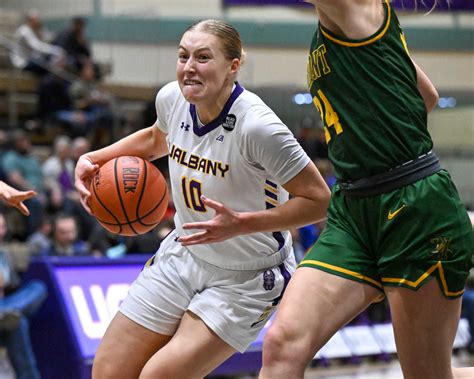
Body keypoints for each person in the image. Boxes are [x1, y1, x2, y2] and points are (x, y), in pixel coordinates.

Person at [75, 19, 330, 378]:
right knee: (109, 371)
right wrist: (94, 159)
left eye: (203, 57)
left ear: (233, 66)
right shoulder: (172, 99)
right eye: (183, 56)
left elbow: (320, 200)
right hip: (184, 253)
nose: (189, 67)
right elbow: (154, 139)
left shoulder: (259, 128)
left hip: (247, 277)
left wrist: (242, 224)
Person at [260, 2, 474, 379]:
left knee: (427, 375)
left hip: (414, 206)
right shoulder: (358, 23)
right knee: (282, 345)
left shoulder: (357, 8)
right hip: (353, 212)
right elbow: (427, 95)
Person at [0, 210, 47, 379]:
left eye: (3, 227)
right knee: (19, 323)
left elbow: (9, 286)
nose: (1, 232)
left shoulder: (4, 254)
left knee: (38, 287)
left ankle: (7, 311)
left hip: (4, 309)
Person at [10, 9, 63, 76]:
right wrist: (55, 50)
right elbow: (37, 46)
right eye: (37, 19)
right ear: (31, 20)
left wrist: (41, 30)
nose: (39, 21)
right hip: (22, 62)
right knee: (48, 67)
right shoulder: (24, 30)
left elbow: (49, 38)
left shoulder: (34, 30)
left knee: (51, 63)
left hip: (31, 59)